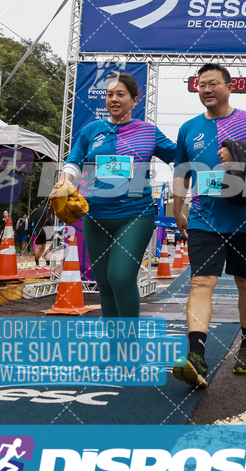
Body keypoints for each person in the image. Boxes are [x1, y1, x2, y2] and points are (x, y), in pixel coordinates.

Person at [172, 63, 246, 388]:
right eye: (201, 84)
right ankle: (196, 357)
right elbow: (181, 173)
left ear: (229, 86)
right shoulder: (189, 128)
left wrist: (237, 158)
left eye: (213, 84)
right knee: (200, 283)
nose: (206, 89)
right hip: (204, 219)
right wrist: (179, 210)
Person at [53, 73, 176, 317]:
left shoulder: (149, 132)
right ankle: (113, 347)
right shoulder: (92, 130)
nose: (114, 99)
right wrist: (63, 181)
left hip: (135, 216)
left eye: (121, 94)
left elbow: (178, 156)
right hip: (95, 216)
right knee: (105, 285)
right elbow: (73, 164)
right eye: (110, 95)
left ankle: (128, 346)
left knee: (120, 277)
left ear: (134, 100)